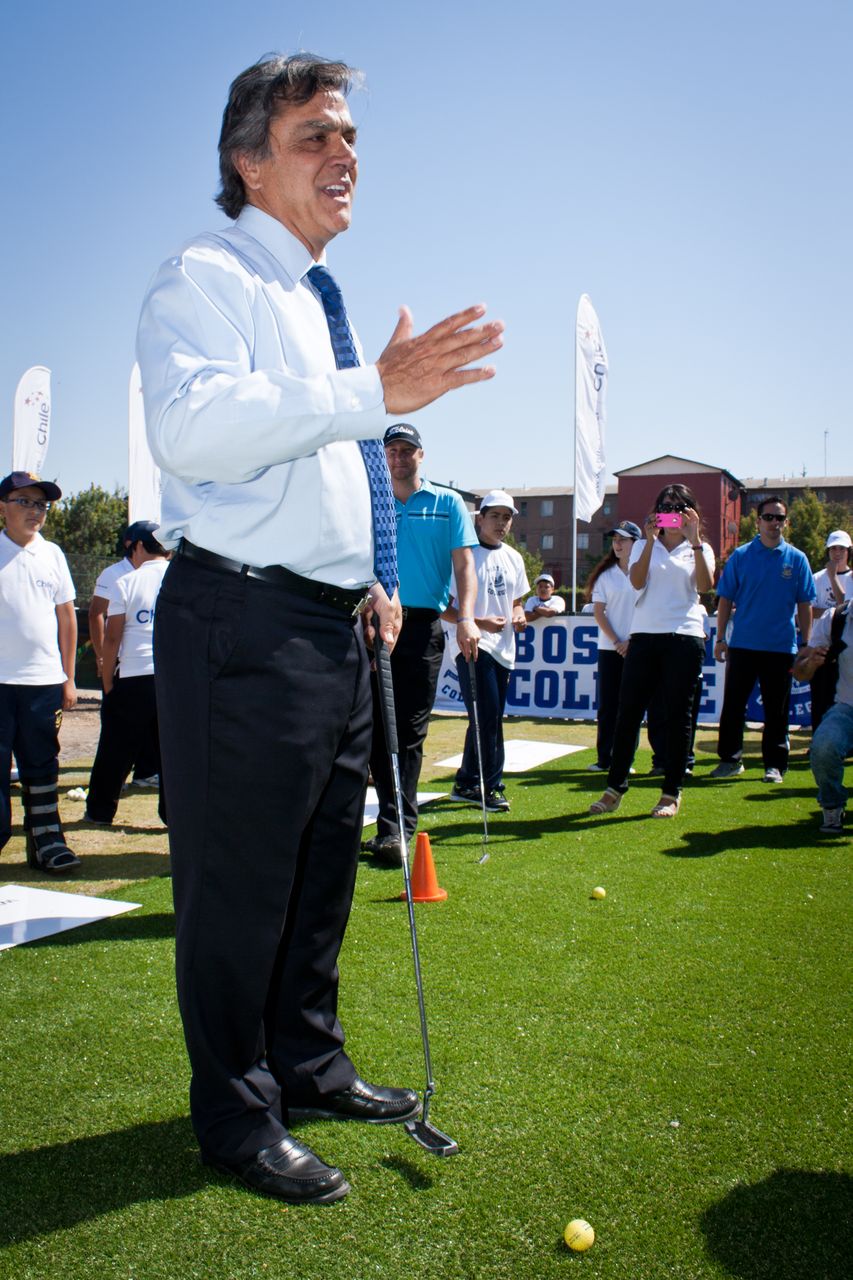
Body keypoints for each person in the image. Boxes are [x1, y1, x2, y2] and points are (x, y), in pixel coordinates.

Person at [136, 53, 503, 1206]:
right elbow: (193, 431)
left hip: (334, 624)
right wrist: (373, 390)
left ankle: (307, 1060)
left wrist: (368, 576)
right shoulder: (205, 274)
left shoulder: (313, 296)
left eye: (349, 137)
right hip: (241, 615)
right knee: (241, 884)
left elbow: (328, 467)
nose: (345, 156)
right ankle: (236, 1114)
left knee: (316, 873)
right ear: (248, 161)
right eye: (315, 137)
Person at [363, 422, 478, 865]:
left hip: (423, 625)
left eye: (406, 450)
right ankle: (381, 824)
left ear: (421, 455)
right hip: (371, 623)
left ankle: (396, 831)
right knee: (370, 729)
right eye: (392, 450)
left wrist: (466, 617)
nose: (398, 457)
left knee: (409, 731)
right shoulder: (371, 500)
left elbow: (464, 566)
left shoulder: (447, 502)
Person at [589, 484, 715, 819]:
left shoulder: (699, 547)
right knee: (627, 713)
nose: (671, 511)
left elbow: (704, 586)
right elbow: (636, 582)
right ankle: (615, 787)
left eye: (678, 505)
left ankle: (671, 792)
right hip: (644, 636)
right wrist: (649, 541)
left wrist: (695, 540)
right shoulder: (644, 545)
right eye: (665, 505)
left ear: (690, 510)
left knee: (677, 716)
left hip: (685, 637)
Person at [0, 471, 80, 872]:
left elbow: (67, 618)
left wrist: (69, 677)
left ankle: (47, 841)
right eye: (25, 502)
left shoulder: (53, 554)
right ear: (2, 507)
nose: (35, 512)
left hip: (43, 683)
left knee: (42, 764)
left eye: (42, 505)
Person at [710, 497, 815, 783]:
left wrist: (806, 643)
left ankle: (775, 765)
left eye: (779, 518)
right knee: (733, 706)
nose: (774, 523)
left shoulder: (797, 559)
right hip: (742, 645)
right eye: (768, 517)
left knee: (776, 711)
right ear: (757, 521)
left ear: (786, 522)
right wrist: (720, 638)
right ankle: (730, 760)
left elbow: (805, 604)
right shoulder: (741, 556)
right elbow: (725, 599)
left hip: (780, 648)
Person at [444, 491, 529, 812]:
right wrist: (477, 621)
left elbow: (517, 600)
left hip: (505, 648)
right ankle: (492, 787)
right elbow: (444, 607)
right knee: (489, 718)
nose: (501, 523)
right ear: (479, 518)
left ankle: (465, 782)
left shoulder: (514, 558)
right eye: (495, 516)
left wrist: (519, 613)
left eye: (507, 517)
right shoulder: (463, 556)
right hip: (472, 646)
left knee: (485, 717)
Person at [85, 526, 169, 825]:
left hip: (133, 674)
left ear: (138, 548)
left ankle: (99, 811)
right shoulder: (180, 581)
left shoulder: (127, 580)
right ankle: (173, 816)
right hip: (172, 678)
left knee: (114, 749)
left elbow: (112, 638)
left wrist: (108, 681)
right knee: (173, 753)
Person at [792, 598, 852, 835]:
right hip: (847, 707)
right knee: (824, 745)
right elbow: (800, 673)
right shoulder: (836, 618)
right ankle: (832, 805)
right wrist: (812, 663)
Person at [585, 521, 641, 772]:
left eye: (624, 540)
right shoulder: (606, 576)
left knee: (632, 706)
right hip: (610, 648)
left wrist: (632, 641)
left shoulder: (646, 572)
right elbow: (599, 612)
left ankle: (625, 760)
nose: (617, 544)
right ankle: (605, 758)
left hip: (641, 648)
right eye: (615, 539)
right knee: (608, 706)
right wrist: (618, 641)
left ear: (636, 543)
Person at [812, 530, 853, 618]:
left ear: (848, 552)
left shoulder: (851, 578)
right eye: (833, 548)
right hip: (821, 632)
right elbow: (808, 610)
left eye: (842, 548)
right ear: (828, 551)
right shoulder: (816, 578)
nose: (837, 553)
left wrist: (833, 577)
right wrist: (835, 613)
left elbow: (847, 609)